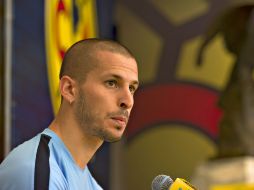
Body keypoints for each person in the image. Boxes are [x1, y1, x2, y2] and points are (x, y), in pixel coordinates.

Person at [0, 38, 139, 189]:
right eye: (111, 83)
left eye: (131, 88)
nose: (128, 101)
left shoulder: (90, 184)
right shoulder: (37, 170)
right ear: (69, 89)